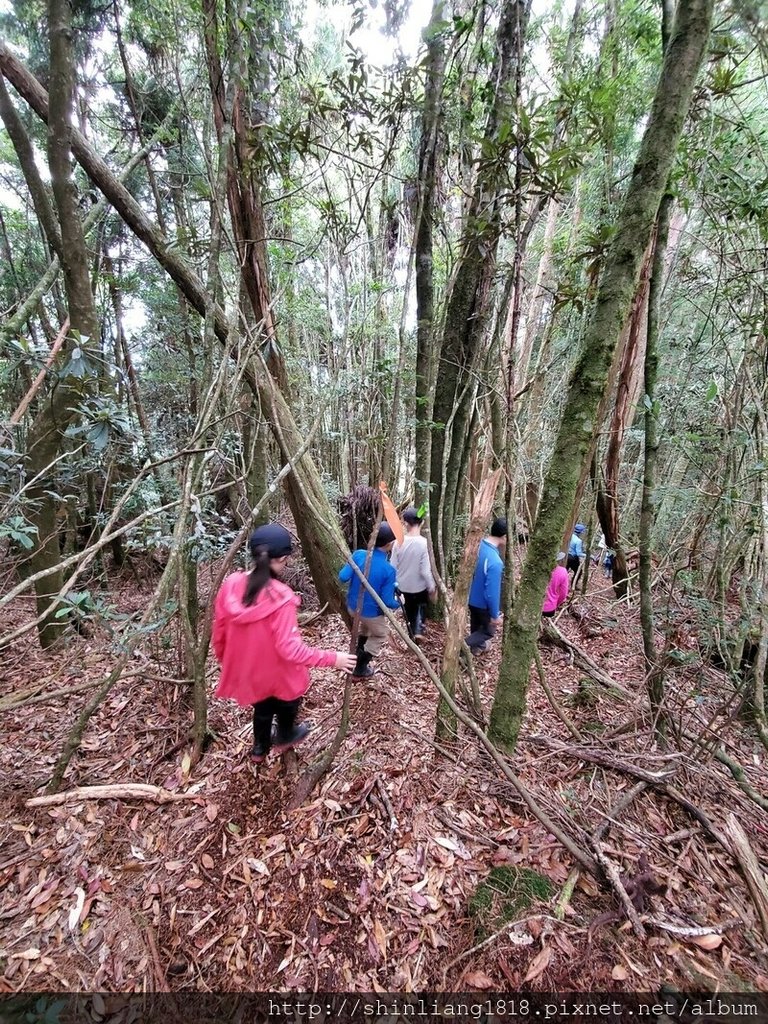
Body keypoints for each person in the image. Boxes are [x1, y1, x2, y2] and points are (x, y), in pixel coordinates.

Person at [213, 523, 356, 764]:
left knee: (262, 708)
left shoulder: (230, 585)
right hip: (280, 673)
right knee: (289, 701)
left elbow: (219, 631)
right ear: (282, 559)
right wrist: (334, 659)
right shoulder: (281, 597)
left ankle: (259, 748)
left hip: (251, 671)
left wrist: (226, 661)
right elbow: (290, 649)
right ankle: (285, 735)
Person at [339, 523, 400, 678]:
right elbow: (387, 601)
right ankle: (360, 666)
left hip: (353, 607)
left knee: (365, 628)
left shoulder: (358, 554)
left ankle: (358, 650)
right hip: (371, 613)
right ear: (388, 545)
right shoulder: (389, 570)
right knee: (381, 634)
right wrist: (400, 603)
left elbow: (343, 577)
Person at [390, 507, 437, 644]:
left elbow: (392, 566)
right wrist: (432, 587)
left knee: (409, 612)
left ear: (405, 523)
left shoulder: (398, 542)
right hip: (420, 587)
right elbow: (425, 570)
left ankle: (412, 636)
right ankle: (419, 630)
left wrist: (392, 586)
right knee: (421, 607)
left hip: (403, 587)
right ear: (421, 523)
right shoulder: (423, 543)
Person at [465, 517, 507, 654]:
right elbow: (492, 592)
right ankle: (461, 647)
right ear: (505, 536)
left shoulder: (478, 545)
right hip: (482, 603)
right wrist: (495, 615)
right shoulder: (495, 561)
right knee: (488, 631)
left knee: (476, 625)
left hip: (470, 596)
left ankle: (476, 648)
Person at [542, 552, 569, 617]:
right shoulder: (562, 571)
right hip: (550, 608)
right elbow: (563, 594)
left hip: (534, 606)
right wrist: (556, 604)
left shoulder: (537, 569)